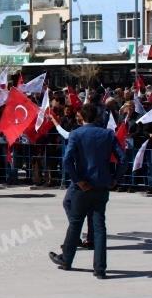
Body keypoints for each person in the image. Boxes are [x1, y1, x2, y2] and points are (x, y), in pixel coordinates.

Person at [49, 103, 125, 279]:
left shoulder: (76, 134)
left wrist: (78, 180)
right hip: (102, 185)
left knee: (76, 223)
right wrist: (115, 179)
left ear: (81, 117)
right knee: (99, 227)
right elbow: (123, 159)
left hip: (83, 186)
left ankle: (66, 260)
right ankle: (100, 268)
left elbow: (67, 161)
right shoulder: (107, 134)